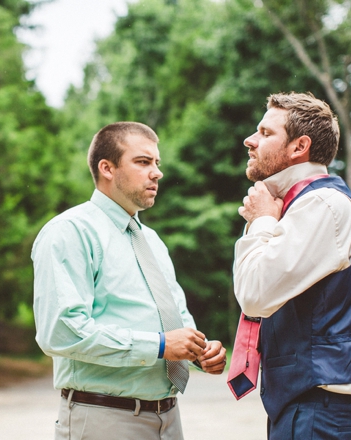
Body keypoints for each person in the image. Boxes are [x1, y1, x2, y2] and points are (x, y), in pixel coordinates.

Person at [32, 121, 227, 440]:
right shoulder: (70, 232)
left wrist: (198, 352)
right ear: (107, 168)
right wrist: (162, 346)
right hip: (104, 419)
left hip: (168, 418)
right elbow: (61, 331)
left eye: (157, 163)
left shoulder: (151, 240)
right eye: (143, 162)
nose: (157, 173)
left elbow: (175, 318)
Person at [232, 92, 351, 439]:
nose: (249, 141)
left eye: (266, 133)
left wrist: (262, 224)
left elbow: (254, 294)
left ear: (299, 146)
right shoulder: (295, 204)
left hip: (321, 411)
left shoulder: (323, 205)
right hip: (305, 406)